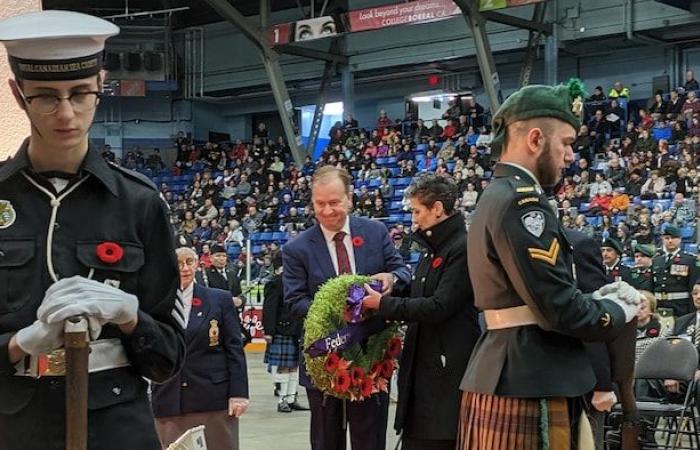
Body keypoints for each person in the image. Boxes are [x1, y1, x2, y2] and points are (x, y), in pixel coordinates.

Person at [0, 10, 185, 450]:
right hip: (13, 427)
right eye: (46, 96)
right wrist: (18, 344)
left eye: (80, 93)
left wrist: (130, 317)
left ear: (100, 89)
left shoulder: (140, 203)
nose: (66, 113)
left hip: (116, 427)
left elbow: (169, 359)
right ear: (18, 93)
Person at [459, 81, 640, 450]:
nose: (572, 155)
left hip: (512, 368)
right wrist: (619, 308)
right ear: (536, 139)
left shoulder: (496, 195)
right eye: (567, 142)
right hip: (532, 376)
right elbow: (558, 308)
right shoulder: (522, 203)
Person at [283, 165, 411, 450]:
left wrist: (392, 278)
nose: (327, 210)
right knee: (327, 441)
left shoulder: (376, 232)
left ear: (349, 198)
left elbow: (403, 272)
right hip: (325, 361)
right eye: (320, 204)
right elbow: (294, 302)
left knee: (371, 440)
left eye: (334, 202)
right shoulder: (296, 249)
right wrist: (332, 315)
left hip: (373, 358)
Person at [362, 173, 480, 450]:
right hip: (426, 368)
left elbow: (440, 306)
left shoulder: (461, 248)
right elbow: (422, 295)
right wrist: (392, 289)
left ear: (437, 209)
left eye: (417, 210)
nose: (414, 219)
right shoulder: (434, 249)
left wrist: (384, 305)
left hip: (445, 373)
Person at [152, 248, 248, 450]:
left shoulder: (219, 299)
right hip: (169, 397)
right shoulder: (154, 302)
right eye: (178, 263)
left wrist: (239, 393)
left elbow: (234, 349)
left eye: (189, 262)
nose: (184, 268)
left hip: (213, 397)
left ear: (197, 264)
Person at [262, 255, 309, 413]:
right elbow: (269, 308)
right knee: (283, 367)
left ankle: (291, 398)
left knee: (295, 367)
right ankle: (282, 400)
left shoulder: (299, 282)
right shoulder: (275, 283)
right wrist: (269, 331)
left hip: (297, 329)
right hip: (282, 329)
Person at [652, 225, 699, 317]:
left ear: (680, 239)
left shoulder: (689, 260)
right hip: (659, 306)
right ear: (662, 239)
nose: (670, 241)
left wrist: (692, 312)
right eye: (667, 238)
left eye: (674, 238)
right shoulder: (656, 260)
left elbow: (693, 287)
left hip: (681, 307)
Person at [197, 244, 244, 308]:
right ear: (211, 258)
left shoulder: (232, 274)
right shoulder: (204, 274)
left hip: (231, 313)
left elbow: (239, 293)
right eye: (218, 256)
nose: (221, 259)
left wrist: (240, 301)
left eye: (224, 256)